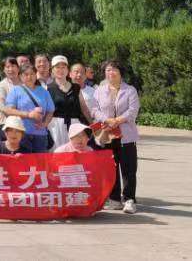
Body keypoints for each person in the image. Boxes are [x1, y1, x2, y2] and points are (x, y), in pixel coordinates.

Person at [92, 60, 140, 214]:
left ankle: (129, 199)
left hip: (126, 135)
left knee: (128, 168)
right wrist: (107, 120)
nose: (111, 72)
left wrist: (117, 120)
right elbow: (94, 109)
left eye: (114, 69)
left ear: (120, 72)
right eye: (108, 70)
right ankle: (114, 199)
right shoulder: (99, 90)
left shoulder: (130, 90)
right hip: (107, 134)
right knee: (110, 168)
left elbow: (133, 110)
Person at [2, 65, 55, 153]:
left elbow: (51, 110)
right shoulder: (15, 90)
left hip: (40, 135)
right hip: (21, 134)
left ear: (36, 75)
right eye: (26, 74)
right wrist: (28, 115)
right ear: (20, 76)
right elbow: (9, 111)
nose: (29, 77)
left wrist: (45, 124)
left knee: (40, 161)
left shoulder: (44, 91)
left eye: (32, 74)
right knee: (22, 160)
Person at [47, 56, 92, 132]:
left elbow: (84, 109)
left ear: (67, 70)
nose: (61, 70)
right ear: (52, 70)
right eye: (57, 67)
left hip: (75, 126)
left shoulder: (76, 88)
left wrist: (92, 124)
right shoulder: (48, 88)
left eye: (63, 67)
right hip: (55, 127)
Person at [0, 57, 22, 132]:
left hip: (26, 123)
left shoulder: (25, 83)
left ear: (18, 68)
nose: (11, 69)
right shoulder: (1, 85)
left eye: (13, 66)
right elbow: (1, 106)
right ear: (4, 70)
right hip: (8, 123)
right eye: (7, 67)